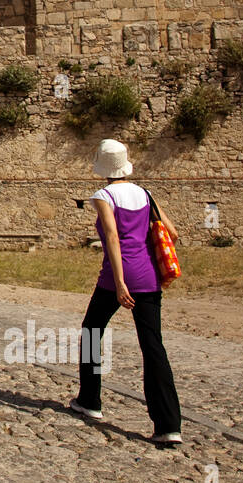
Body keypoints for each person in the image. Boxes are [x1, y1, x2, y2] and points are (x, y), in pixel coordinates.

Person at [69, 138, 184, 445]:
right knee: (153, 347)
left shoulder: (104, 196)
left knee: (92, 331)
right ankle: (168, 425)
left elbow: (112, 238)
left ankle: (90, 401)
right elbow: (171, 232)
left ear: (102, 168)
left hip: (116, 277)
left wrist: (120, 283)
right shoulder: (145, 194)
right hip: (148, 277)